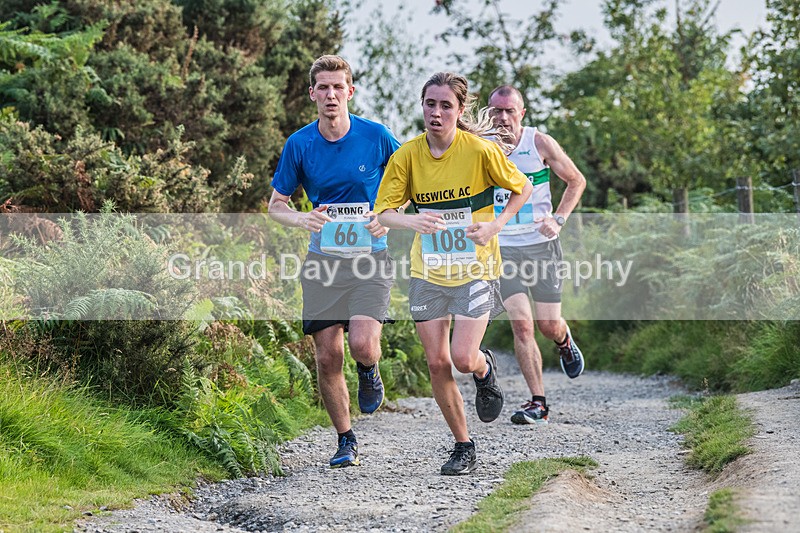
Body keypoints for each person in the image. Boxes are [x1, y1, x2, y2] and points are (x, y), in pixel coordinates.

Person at [376, 72, 533, 475]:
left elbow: (523, 189)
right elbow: (384, 214)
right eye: (430, 104)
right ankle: (463, 445)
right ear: (422, 107)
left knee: (463, 357)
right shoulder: (407, 156)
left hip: (476, 270)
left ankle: (484, 368)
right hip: (427, 273)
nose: (437, 112)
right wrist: (413, 223)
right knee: (437, 363)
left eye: (446, 105)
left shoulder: (480, 151)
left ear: (460, 110)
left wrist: (496, 225)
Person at [268, 55, 401, 468]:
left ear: (349, 92)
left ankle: (369, 368)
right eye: (322, 87)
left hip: (370, 260)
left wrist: (387, 219)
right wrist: (301, 218)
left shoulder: (376, 136)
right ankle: (345, 440)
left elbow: (413, 184)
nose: (330, 95)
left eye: (337, 87)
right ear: (312, 94)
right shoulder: (300, 144)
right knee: (327, 357)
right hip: (323, 261)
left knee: (362, 344)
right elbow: (276, 205)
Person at [487, 85, 587, 425]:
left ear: (522, 114)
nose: (502, 118)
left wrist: (558, 219)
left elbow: (576, 181)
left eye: (509, 111)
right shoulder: (481, 149)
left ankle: (563, 339)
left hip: (542, 246)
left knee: (547, 324)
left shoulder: (539, 143)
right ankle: (538, 402)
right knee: (522, 324)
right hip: (504, 249)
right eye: (495, 111)